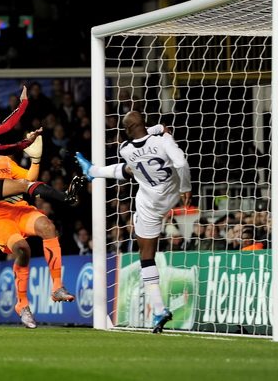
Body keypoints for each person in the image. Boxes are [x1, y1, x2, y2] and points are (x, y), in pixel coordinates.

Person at [0, 84, 83, 321]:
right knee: (21, 242)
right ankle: (65, 197)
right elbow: (6, 127)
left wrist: (28, 145)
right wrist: (24, 104)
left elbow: (8, 151)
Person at [75, 111, 191, 333]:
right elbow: (181, 162)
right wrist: (186, 188)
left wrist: (157, 129)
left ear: (127, 130)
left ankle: (159, 309)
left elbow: (134, 155)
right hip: (173, 194)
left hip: (150, 205)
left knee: (146, 256)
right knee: (134, 170)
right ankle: (93, 171)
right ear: (144, 123)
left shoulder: (124, 149)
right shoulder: (164, 140)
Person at [0, 135, 75, 329]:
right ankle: (22, 304)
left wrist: (36, 160)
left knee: (48, 227)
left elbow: (29, 179)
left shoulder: (4, 161)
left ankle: (57, 287)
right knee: (23, 250)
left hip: (20, 209)